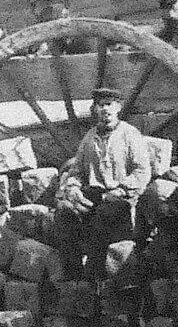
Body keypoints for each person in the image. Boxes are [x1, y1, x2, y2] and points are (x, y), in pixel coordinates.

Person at [56, 88, 152, 280]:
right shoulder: (89, 138)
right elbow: (76, 171)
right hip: (94, 194)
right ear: (95, 109)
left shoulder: (129, 134)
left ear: (118, 107)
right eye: (101, 105)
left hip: (122, 198)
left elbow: (142, 171)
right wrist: (73, 188)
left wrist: (121, 190)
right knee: (65, 212)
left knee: (102, 217)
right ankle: (73, 276)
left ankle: (96, 278)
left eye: (109, 104)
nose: (105, 109)